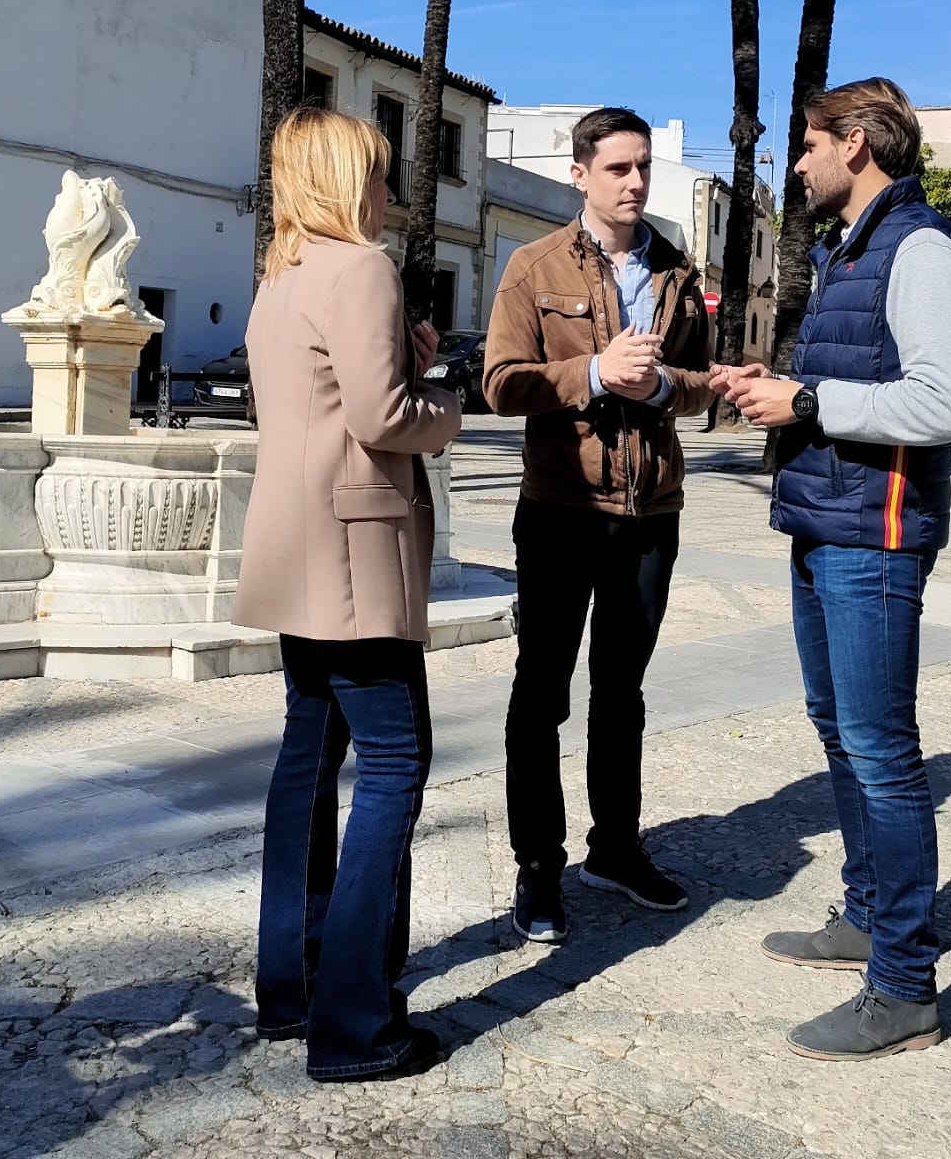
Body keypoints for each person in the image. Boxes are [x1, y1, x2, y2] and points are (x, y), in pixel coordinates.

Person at [712, 77, 951, 1062]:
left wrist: (807, 402)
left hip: (874, 538)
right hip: (823, 524)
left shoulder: (918, 248)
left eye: (808, 145)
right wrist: (778, 394)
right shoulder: (850, 251)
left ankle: (903, 986)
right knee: (839, 730)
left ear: (854, 142)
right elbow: (848, 386)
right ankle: (867, 915)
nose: (797, 164)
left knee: (881, 751)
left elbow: (944, 407)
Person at [236, 107, 463, 1082]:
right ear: (343, 178)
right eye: (376, 171)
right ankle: (356, 1024)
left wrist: (400, 370)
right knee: (392, 767)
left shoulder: (278, 280)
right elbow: (380, 418)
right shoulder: (360, 267)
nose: (388, 189)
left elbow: (327, 402)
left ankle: (290, 988)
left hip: (291, 546)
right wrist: (442, 402)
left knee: (306, 760)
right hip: (355, 551)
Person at [483, 107, 713, 944]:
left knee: (622, 693)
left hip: (652, 516)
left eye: (644, 166)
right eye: (618, 168)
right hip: (560, 510)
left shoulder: (678, 272)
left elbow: (701, 381)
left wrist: (658, 390)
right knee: (541, 691)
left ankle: (615, 848)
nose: (637, 182)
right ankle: (537, 864)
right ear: (580, 174)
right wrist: (592, 370)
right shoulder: (532, 266)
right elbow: (501, 383)